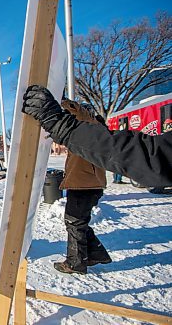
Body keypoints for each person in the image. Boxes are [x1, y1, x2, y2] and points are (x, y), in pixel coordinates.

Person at [22, 85, 172, 187]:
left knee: (75, 224)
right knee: (77, 223)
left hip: (85, 180)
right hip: (87, 178)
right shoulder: (93, 122)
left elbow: (152, 157)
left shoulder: (86, 118)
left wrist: (60, 119)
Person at [54, 99, 112, 274]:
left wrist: (62, 101)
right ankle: (96, 253)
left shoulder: (91, 125)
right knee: (78, 221)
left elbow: (81, 114)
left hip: (85, 185)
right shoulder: (90, 131)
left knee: (74, 221)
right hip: (85, 183)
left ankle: (75, 262)